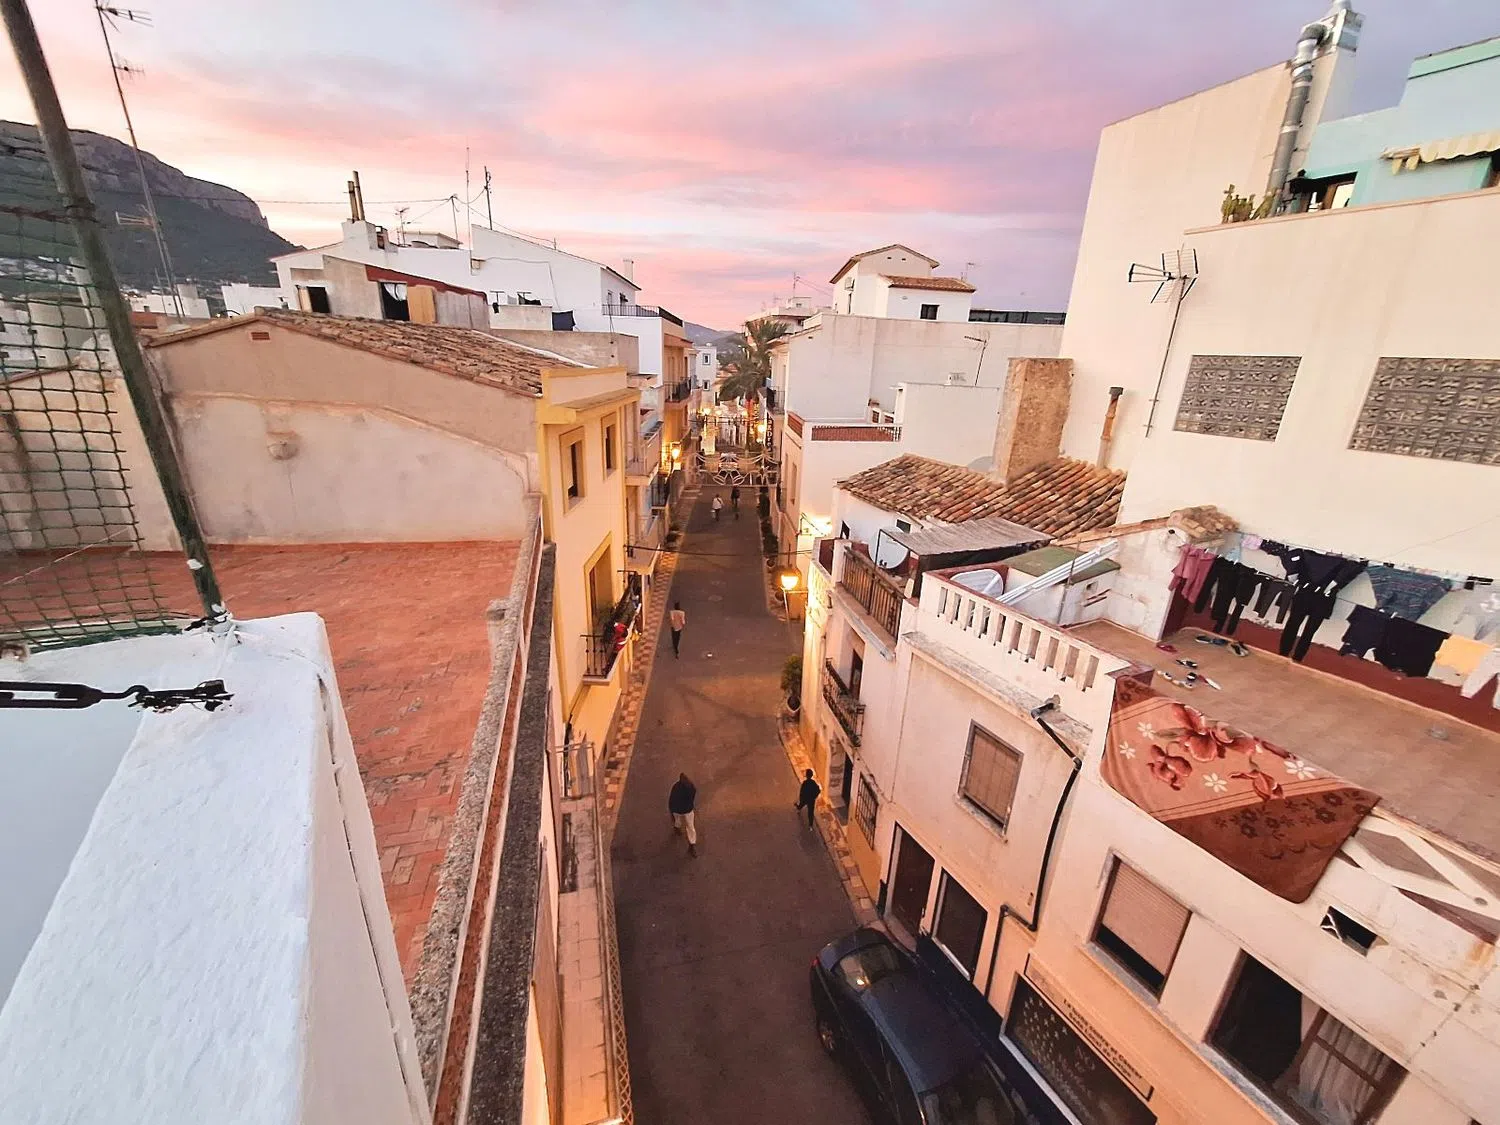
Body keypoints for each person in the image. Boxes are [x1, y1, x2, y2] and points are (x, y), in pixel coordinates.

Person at [669, 772, 698, 857]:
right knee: (690, 827)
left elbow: (672, 799)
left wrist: (671, 809)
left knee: (678, 820)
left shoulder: (676, 787)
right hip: (688, 810)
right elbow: (692, 797)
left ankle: (677, 828)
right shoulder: (691, 787)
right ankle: (692, 845)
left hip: (677, 809)